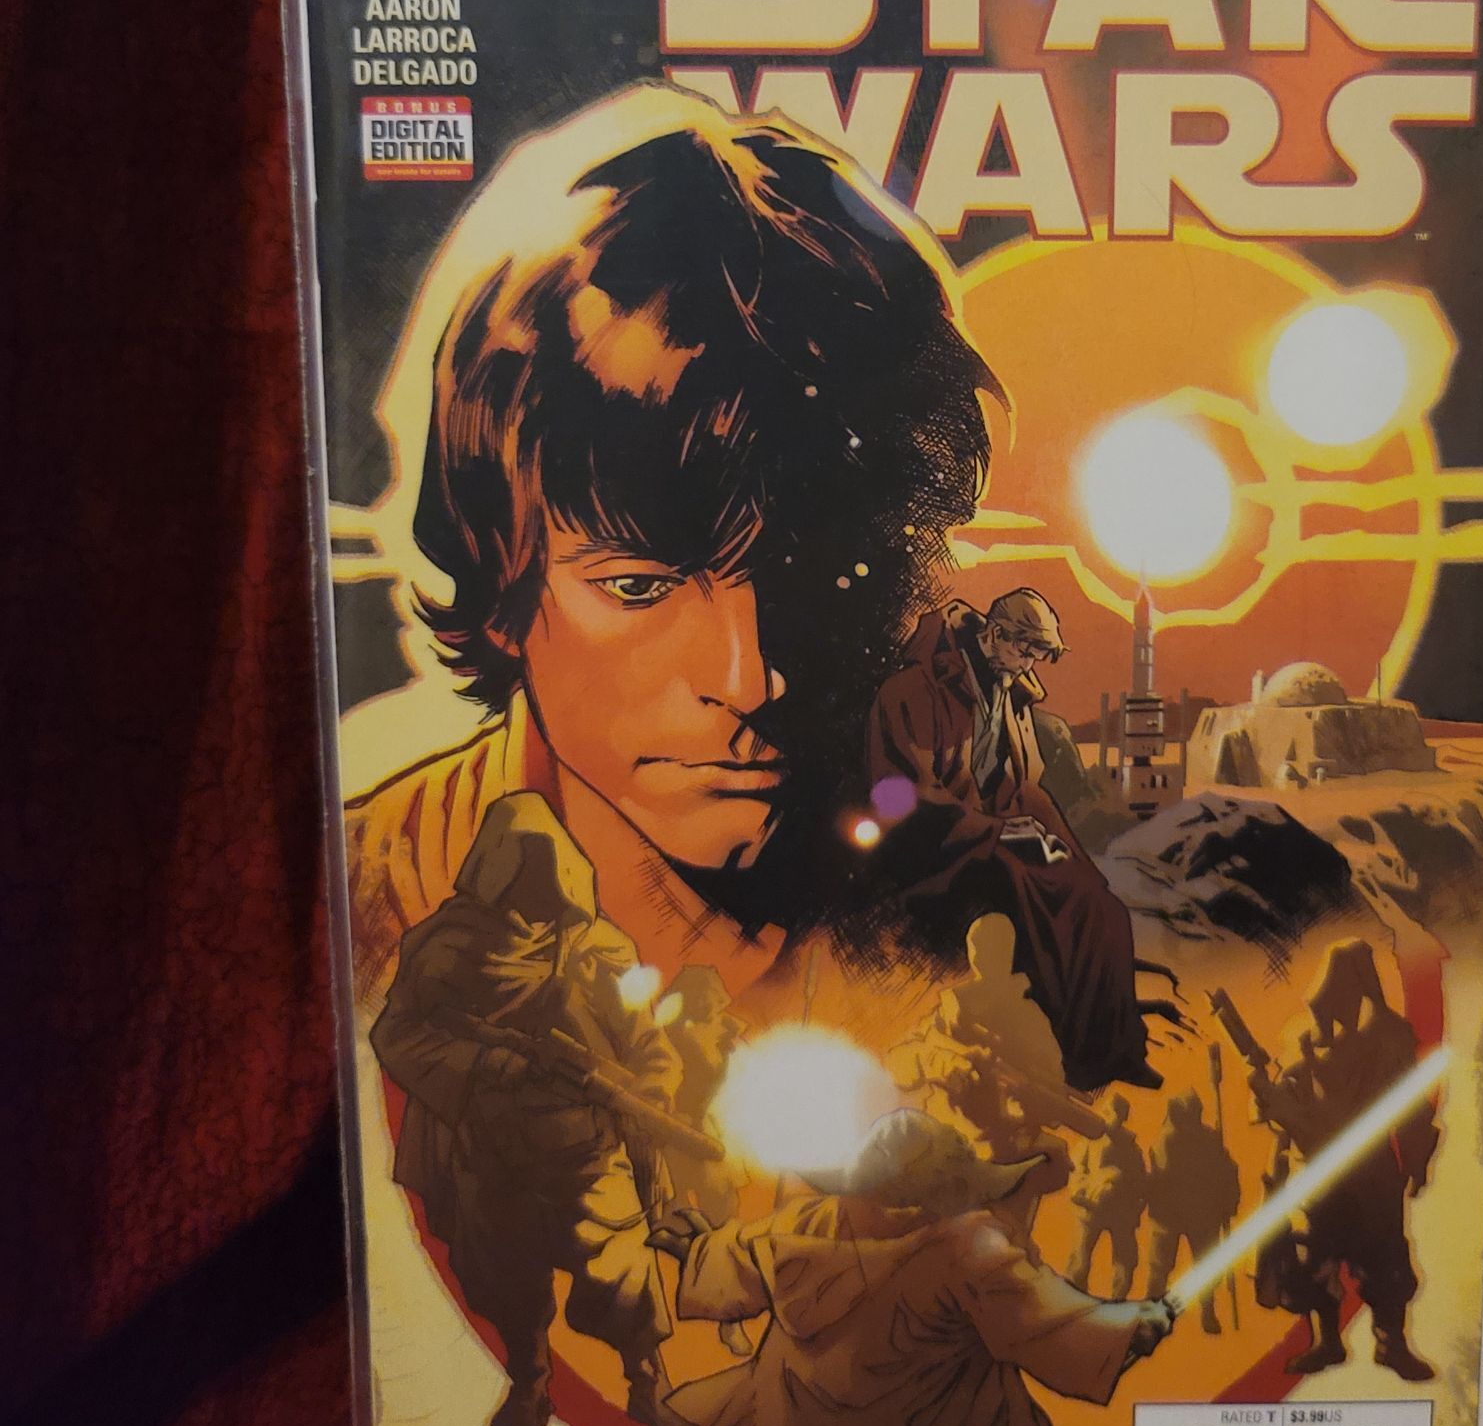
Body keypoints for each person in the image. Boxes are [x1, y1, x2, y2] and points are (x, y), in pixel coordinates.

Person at [346, 85, 1004, 1008]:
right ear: (500, 583)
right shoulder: (361, 921)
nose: (747, 678)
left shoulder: (980, 933)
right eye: (639, 586)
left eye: (814, 575)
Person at [649, 1111, 1174, 1426]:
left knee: (782, 1393)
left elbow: (740, 1252)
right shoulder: (968, 1248)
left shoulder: (816, 1219)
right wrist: (1131, 1326)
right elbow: (1045, 1322)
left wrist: (697, 1248)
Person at [370, 793, 687, 1426]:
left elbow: (645, 1041)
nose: (539, 901)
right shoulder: (444, 948)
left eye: (550, 882)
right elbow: (397, 1035)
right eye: (523, 881)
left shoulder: (599, 948)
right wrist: (490, 1064)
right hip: (490, 1150)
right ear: (496, 873)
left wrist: (651, 1089)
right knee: (506, 1275)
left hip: (588, 1148)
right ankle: (530, 1385)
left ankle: (647, 1384)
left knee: (625, 1272)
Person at [865, 587, 1166, 1090]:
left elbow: (1026, 788)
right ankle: (1064, 1055)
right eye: (1025, 649)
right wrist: (998, 831)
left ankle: (1114, 1052)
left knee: (1102, 907)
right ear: (994, 634)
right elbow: (905, 794)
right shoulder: (913, 690)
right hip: (933, 849)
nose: (1031, 663)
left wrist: (1071, 855)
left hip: (994, 835)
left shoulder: (1012, 696)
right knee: (1031, 891)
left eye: (1038, 654)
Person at [1247, 937, 1438, 1382]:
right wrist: (1268, 1102)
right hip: (1316, 1175)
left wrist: (1416, 1159)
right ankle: (1326, 1342)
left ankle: (1392, 1345)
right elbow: (1283, 1108)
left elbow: (1411, 1105)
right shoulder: (1299, 1039)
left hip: (1371, 1175)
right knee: (1312, 1260)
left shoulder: (1388, 1037)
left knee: (1386, 1262)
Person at [1141, 1084, 1242, 1338]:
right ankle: (1149, 1317)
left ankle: (1207, 1311)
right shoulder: (1167, 1139)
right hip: (1170, 1214)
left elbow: (1228, 1170)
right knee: (1159, 1267)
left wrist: (1229, 1200)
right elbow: (1165, 1172)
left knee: (1206, 1264)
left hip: (1202, 1213)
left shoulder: (1209, 1138)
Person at [1062, 1093, 1150, 1299]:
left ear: (1122, 1117)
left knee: (1125, 1262)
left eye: (1114, 1113)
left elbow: (1139, 1180)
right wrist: (1086, 1191)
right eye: (1106, 1112)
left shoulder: (1130, 1147)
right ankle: (1074, 1300)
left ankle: (1116, 1303)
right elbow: (1076, 1170)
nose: (1109, 1117)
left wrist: (1132, 1203)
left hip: (1120, 1211)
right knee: (1079, 1261)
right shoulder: (1089, 1141)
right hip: (1090, 1208)